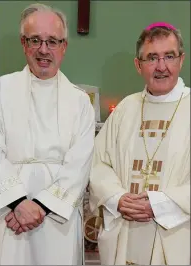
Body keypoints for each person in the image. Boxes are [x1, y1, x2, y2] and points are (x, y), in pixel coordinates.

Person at [0, 3, 95, 265]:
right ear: (23, 43)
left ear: (64, 46)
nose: (43, 50)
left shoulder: (80, 102)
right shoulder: (0, 90)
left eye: (52, 41)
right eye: (35, 40)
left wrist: (40, 207)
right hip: (7, 215)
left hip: (57, 220)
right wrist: (17, 203)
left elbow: (80, 164)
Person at [89, 22, 190, 265]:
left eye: (169, 56)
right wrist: (117, 198)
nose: (161, 66)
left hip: (176, 235)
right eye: (152, 58)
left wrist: (160, 204)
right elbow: (98, 162)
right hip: (126, 232)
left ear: (181, 60)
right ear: (138, 65)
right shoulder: (126, 108)